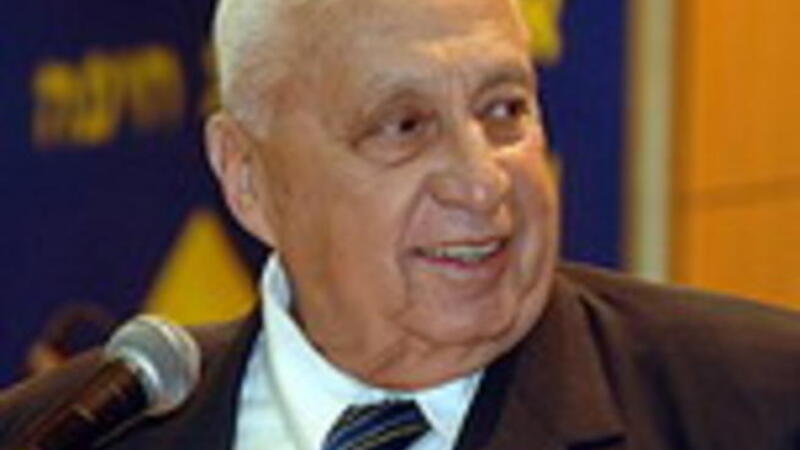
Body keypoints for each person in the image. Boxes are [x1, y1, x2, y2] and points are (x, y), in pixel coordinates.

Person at [2, 0, 800, 448]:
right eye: (404, 127)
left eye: (504, 111)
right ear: (248, 177)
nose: (482, 182)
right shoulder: (66, 433)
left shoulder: (761, 405)